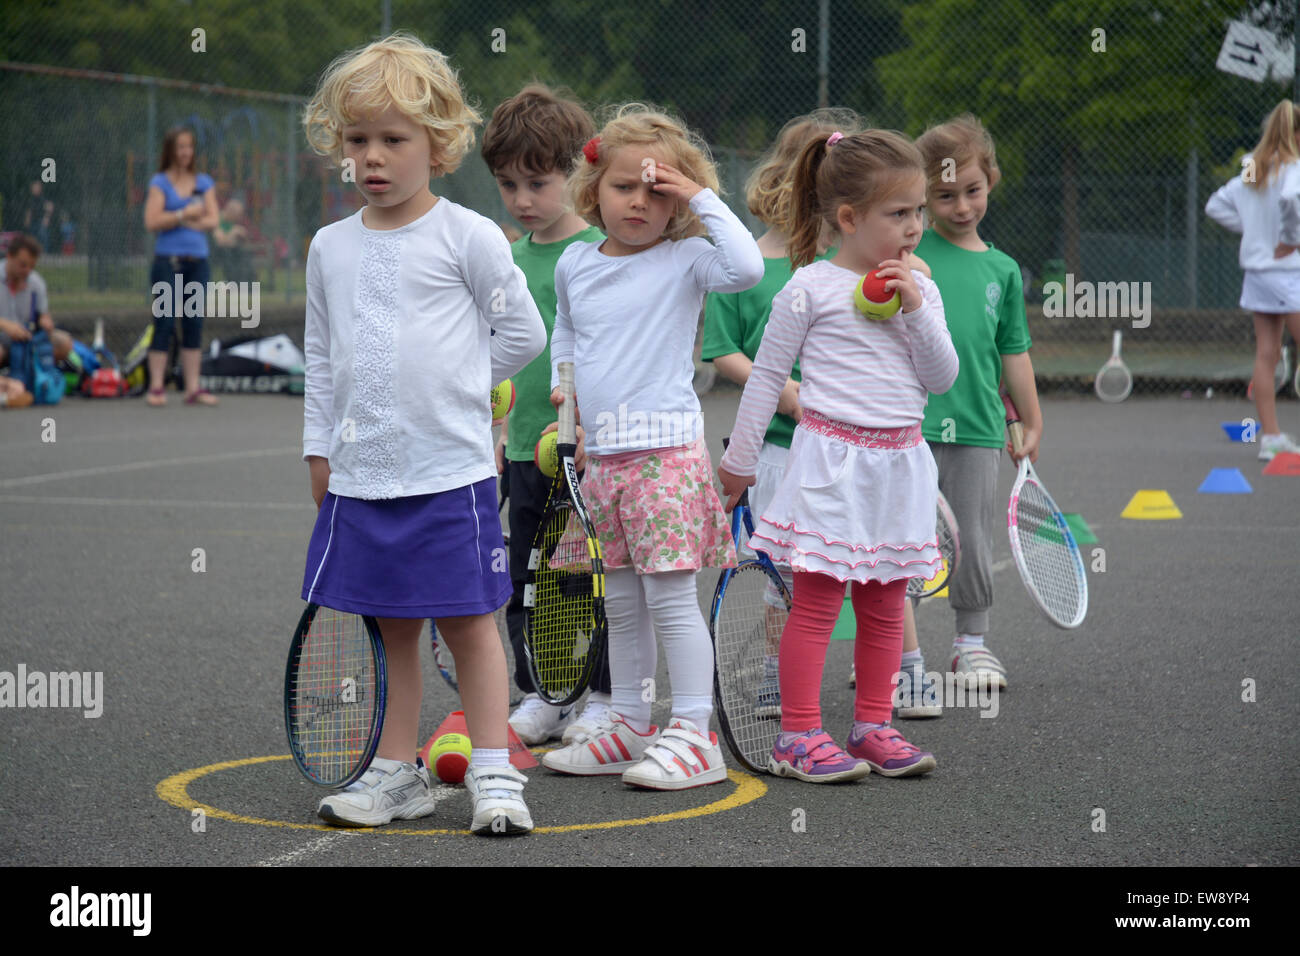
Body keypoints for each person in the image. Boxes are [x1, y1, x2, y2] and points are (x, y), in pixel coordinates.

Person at [299, 33, 546, 833]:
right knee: (390, 630)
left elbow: (524, 335)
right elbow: (320, 359)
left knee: (471, 624)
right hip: (363, 477)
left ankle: (496, 775)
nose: (373, 156)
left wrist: (460, 387)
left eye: (394, 139)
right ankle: (395, 773)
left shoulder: (468, 235)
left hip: (451, 473)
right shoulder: (328, 248)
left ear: (437, 147)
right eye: (359, 139)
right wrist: (318, 448)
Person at [718, 128, 958, 782]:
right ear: (849, 218)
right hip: (829, 464)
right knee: (818, 603)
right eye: (899, 213)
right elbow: (767, 378)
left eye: (918, 211)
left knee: (885, 602)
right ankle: (798, 736)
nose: (915, 227)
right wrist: (739, 463)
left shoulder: (922, 292)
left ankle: (874, 726)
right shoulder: (808, 288)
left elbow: (941, 379)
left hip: (901, 465)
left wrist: (915, 311)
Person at [539, 103, 763, 789]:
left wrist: (697, 193)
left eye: (655, 190)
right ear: (594, 191)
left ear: (676, 201)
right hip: (600, 462)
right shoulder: (575, 263)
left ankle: (695, 735)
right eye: (623, 187)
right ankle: (632, 722)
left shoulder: (690, 258)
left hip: (664, 460)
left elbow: (748, 266)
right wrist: (564, 397)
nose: (638, 201)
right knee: (622, 602)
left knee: (670, 600)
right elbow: (568, 338)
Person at [480, 83, 616, 746]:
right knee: (526, 578)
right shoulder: (503, 259)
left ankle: (601, 696)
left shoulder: (602, 253)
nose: (521, 200)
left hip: (586, 451)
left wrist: (591, 422)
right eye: (508, 185)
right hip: (521, 452)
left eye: (537, 182)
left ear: (575, 174)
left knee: (589, 580)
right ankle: (542, 693)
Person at [904, 114, 1040, 704]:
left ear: (992, 181)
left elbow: (1014, 353)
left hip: (980, 428)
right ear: (921, 196)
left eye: (973, 191)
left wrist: (1030, 419)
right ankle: (893, 649)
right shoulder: (904, 253)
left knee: (973, 539)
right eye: (944, 195)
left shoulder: (1003, 269)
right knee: (899, 539)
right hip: (904, 425)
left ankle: (971, 640)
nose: (961, 206)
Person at [1206, 99, 1300, 460]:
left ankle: (1270, 439)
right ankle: (1272, 438)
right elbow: (1292, 198)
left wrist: (1252, 231)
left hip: (1258, 273)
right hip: (1286, 273)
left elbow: (1216, 205)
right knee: (1269, 353)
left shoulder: (1252, 167)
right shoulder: (1292, 168)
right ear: (1294, 134)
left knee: (1267, 354)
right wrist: (1289, 239)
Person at [142, 125, 220, 406]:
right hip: (168, 262)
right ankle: (157, 387)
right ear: (171, 150)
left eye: (189, 146)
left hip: (197, 262)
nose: (186, 152)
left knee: (194, 323)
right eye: (181, 147)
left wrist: (189, 220)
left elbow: (213, 220)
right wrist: (182, 214)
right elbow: (152, 221)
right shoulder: (159, 183)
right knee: (163, 321)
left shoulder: (203, 182)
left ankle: (192, 388)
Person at [0, 234, 73, 377]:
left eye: (32, 266)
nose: (27, 271)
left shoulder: (36, 283)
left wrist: (45, 321)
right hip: (2, 340)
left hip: (28, 341)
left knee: (64, 342)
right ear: (9, 256)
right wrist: (6, 325)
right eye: (23, 265)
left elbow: (43, 314)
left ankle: (36, 378)